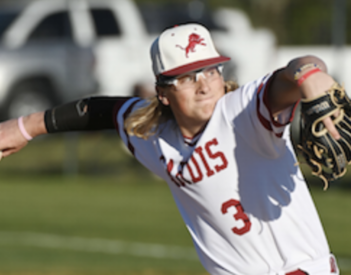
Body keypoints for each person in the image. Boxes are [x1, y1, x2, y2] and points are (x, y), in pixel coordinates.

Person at [0, 23, 342, 274]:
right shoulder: (153, 134)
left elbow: (290, 75)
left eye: (210, 70)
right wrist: (23, 128)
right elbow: (101, 111)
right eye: (187, 76)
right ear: (163, 92)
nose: (204, 84)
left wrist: (310, 73)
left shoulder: (243, 111)